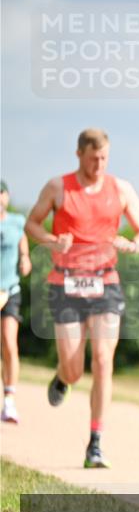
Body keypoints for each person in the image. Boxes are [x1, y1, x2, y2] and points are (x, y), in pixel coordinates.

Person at [25, 128, 139, 467]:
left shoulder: (121, 188)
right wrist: (53, 241)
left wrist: (134, 244)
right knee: (74, 368)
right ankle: (62, 376)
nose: (99, 164)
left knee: (102, 359)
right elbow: (32, 225)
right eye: (93, 158)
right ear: (79, 154)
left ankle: (95, 442)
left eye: (104, 158)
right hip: (66, 283)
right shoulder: (58, 187)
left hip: (105, 283)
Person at [1, 180, 32, 424]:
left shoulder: (16, 221)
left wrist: (25, 257)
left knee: (9, 342)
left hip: (9, 289)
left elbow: (22, 240)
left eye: (2, 193)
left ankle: (9, 401)